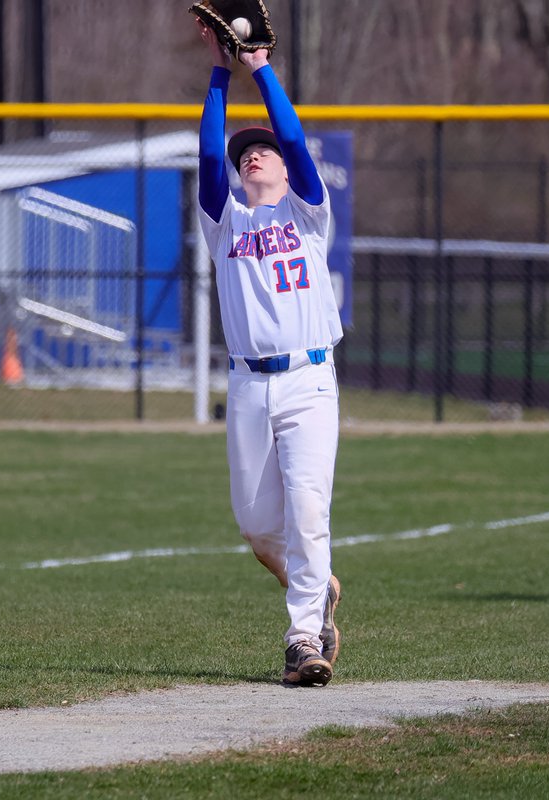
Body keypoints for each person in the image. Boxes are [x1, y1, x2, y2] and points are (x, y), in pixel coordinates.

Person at [195, 21, 343, 687]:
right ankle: (319, 589)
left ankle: (303, 637)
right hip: (249, 388)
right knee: (257, 526)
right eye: (245, 153)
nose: (252, 156)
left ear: (286, 167)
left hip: (309, 380)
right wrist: (218, 72)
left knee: (309, 511)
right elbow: (209, 157)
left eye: (263, 151)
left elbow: (294, 139)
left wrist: (258, 67)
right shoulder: (224, 221)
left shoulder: (308, 214)